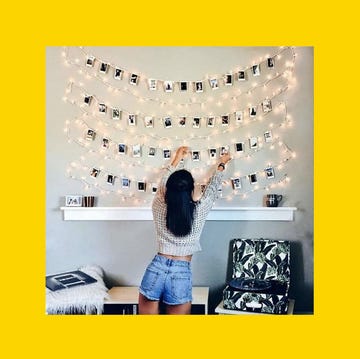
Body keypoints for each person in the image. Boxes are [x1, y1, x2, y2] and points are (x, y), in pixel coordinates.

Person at [138, 146, 231, 314]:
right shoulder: (199, 211)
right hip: (181, 273)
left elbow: (163, 182)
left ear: (168, 189)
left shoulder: (158, 204)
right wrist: (221, 164)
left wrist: (176, 158)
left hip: (155, 269)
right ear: (190, 190)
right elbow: (211, 189)